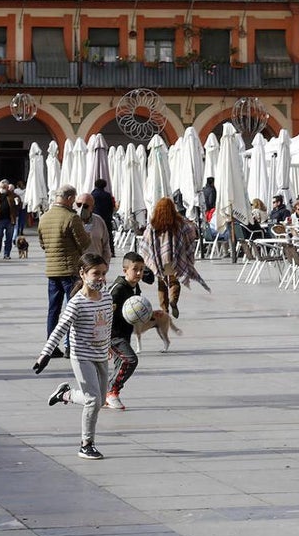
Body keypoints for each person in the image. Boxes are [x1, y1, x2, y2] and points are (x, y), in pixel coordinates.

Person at [34, 253, 113, 460]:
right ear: (83, 273)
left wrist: (109, 344)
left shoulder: (106, 296)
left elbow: (107, 324)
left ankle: (66, 394)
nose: (101, 278)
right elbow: (60, 328)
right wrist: (45, 353)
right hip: (82, 356)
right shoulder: (76, 302)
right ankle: (86, 444)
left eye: (103, 274)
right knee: (93, 400)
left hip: (101, 354)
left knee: (101, 399)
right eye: (96, 273)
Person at [37, 185, 91, 358]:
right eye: (74, 200)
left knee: (53, 310)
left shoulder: (44, 217)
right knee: (72, 309)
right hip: (70, 270)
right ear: (68, 198)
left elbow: (42, 244)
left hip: (52, 271)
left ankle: (51, 347)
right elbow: (84, 244)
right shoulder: (71, 218)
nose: (75, 204)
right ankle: (71, 346)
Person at [141, 196, 209, 319]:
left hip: (159, 259)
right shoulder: (180, 223)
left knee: (161, 284)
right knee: (174, 282)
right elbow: (190, 234)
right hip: (174, 258)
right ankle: (173, 300)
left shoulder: (153, 224)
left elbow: (145, 243)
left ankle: (165, 309)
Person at [106, 251, 151, 410]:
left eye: (141, 269)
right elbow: (104, 314)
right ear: (125, 270)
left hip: (124, 333)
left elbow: (151, 279)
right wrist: (103, 343)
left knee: (120, 365)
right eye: (135, 269)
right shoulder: (117, 290)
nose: (139, 273)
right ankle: (111, 391)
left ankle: (107, 394)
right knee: (130, 360)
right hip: (113, 335)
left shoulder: (135, 286)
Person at [75, 192, 113, 262]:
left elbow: (106, 245)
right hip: (76, 267)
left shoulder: (99, 221)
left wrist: (105, 265)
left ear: (92, 207)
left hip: (95, 265)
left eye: (85, 206)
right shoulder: (71, 221)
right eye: (79, 205)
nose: (81, 208)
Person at [0, 179, 20, 259]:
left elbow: (19, 206)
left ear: (7, 187)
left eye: (5, 186)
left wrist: (18, 202)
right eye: (2, 186)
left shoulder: (13, 195)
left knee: (9, 238)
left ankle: (7, 254)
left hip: (10, 219)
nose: (4, 188)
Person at [90, 178, 117, 254]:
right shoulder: (107, 195)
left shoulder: (92, 195)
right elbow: (111, 207)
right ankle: (111, 251)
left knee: (94, 234)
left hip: (95, 218)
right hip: (106, 218)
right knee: (108, 235)